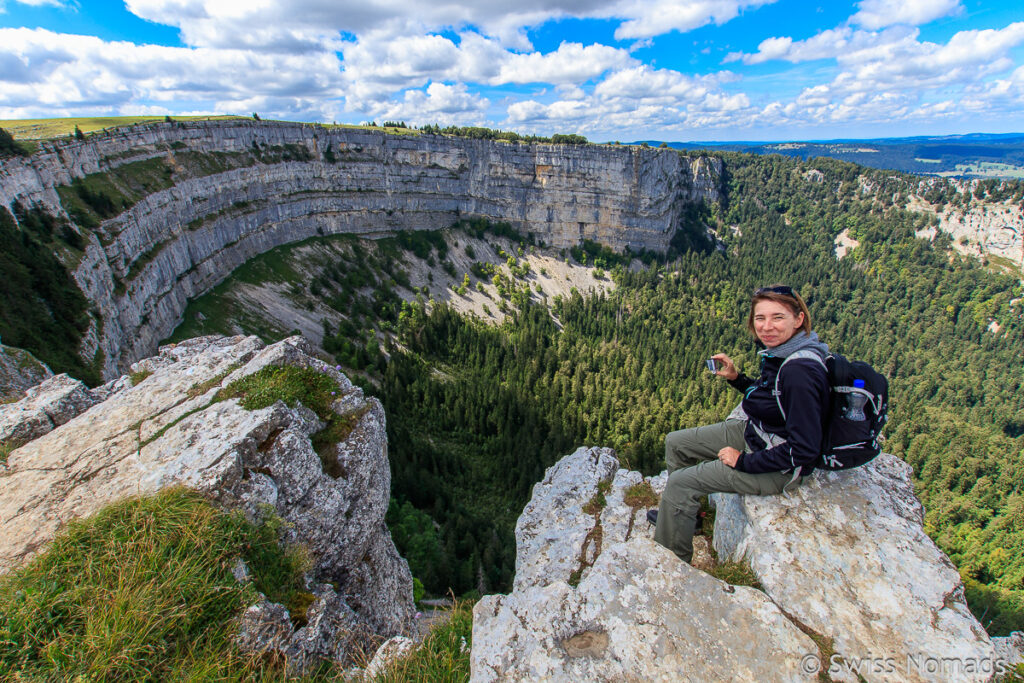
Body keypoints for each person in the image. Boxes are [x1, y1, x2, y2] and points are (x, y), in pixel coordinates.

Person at [650, 285, 830, 564]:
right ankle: (686, 518)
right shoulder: (783, 352)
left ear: (799, 319)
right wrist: (737, 379)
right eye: (760, 318)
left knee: (680, 482)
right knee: (676, 442)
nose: (767, 327)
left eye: (778, 317)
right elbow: (772, 399)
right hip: (759, 433)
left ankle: (672, 565)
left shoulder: (800, 371)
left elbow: (805, 450)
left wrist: (743, 462)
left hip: (779, 465)